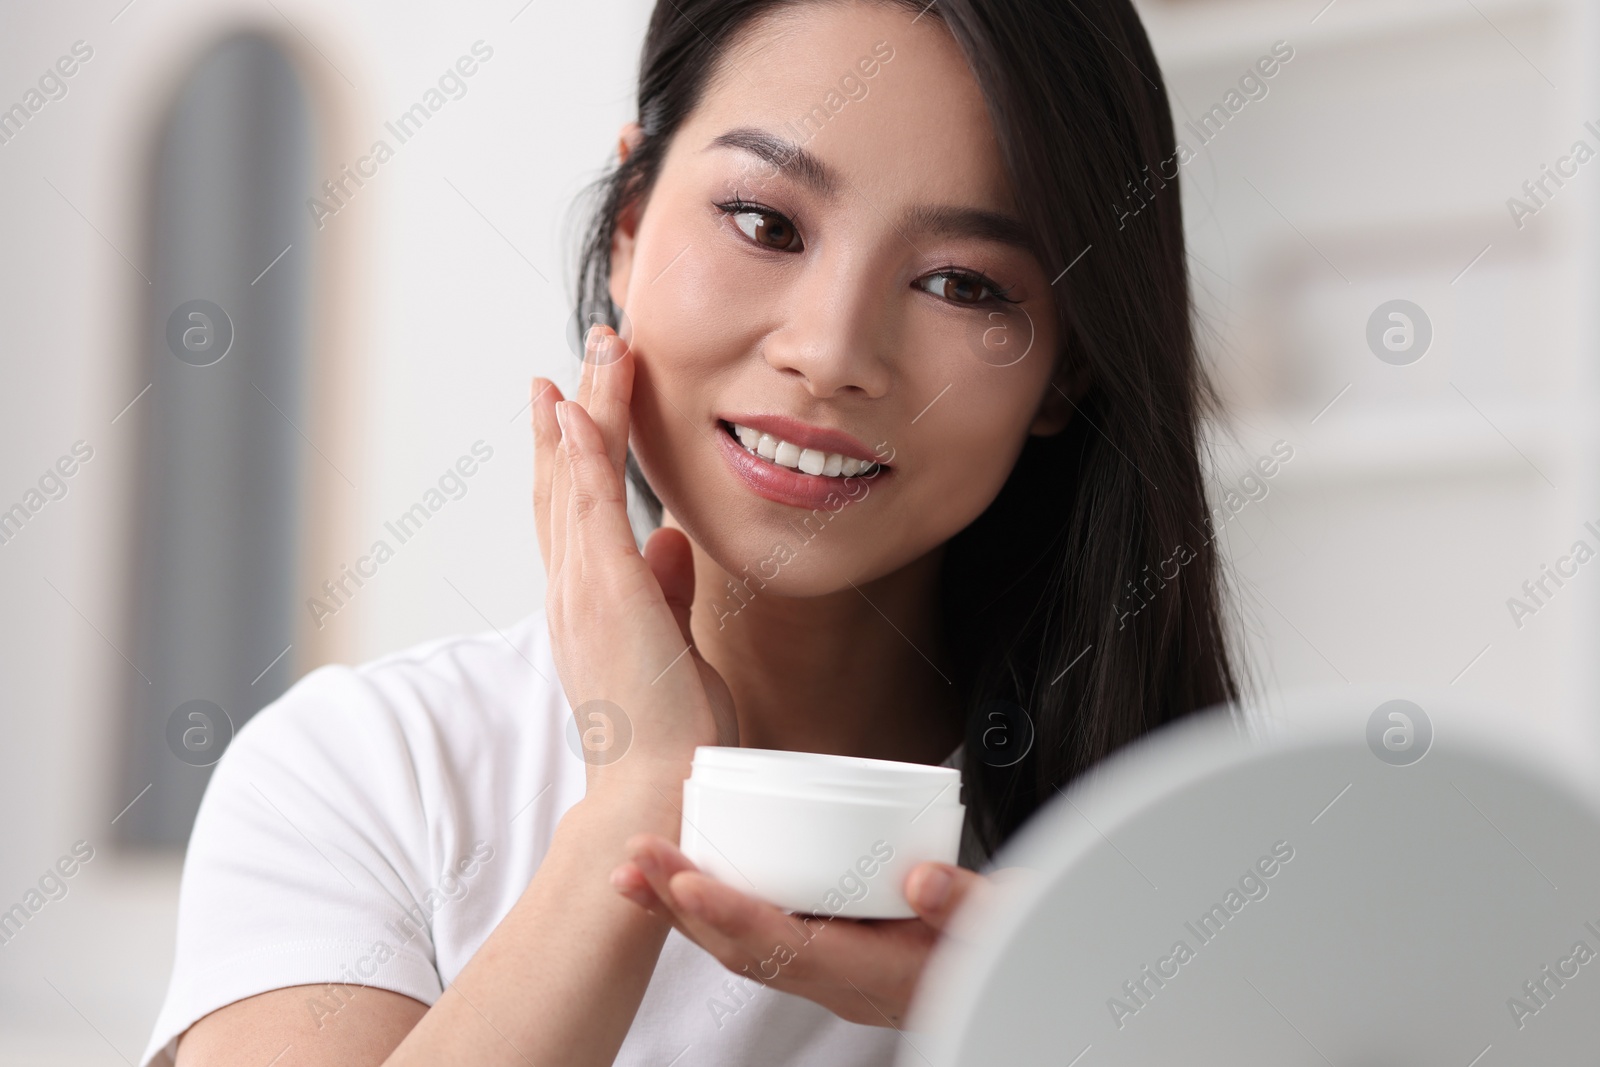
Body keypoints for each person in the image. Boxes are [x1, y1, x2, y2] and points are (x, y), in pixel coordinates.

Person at [145, 0, 1237, 1063]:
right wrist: (635, 798)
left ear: (1067, 365)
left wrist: (1063, 995)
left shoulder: (1187, 869)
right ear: (628, 226)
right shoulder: (372, 771)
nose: (831, 348)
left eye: (961, 282)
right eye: (765, 223)